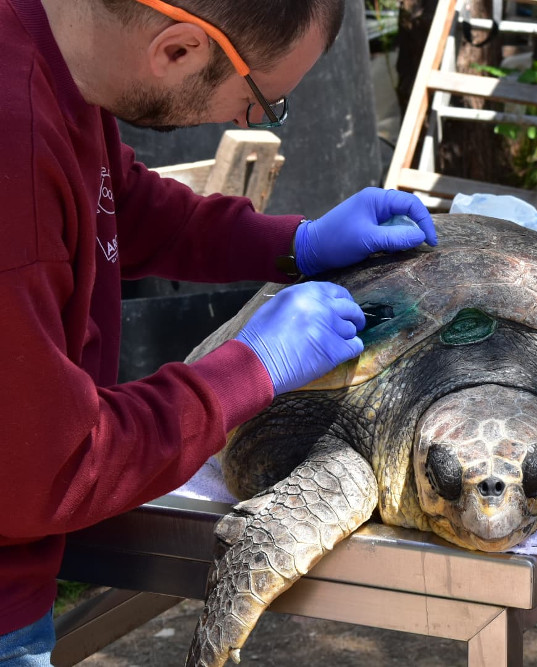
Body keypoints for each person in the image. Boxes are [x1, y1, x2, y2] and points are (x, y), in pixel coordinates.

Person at [0, 0, 438, 663]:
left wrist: (298, 242)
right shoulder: (15, 155)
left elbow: (122, 203)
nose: (252, 119)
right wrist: (247, 370)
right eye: (261, 98)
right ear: (177, 49)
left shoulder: (48, 52)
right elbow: (52, 470)